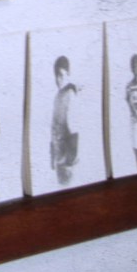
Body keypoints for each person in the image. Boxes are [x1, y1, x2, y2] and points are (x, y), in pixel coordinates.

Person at [50, 56, 79, 186]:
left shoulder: (70, 94)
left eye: (62, 75)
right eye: (57, 75)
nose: (59, 79)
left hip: (67, 160)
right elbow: (54, 126)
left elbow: (74, 130)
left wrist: (69, 161)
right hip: (59, 157)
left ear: (68, 74)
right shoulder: (58, 96)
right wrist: (53, 155)